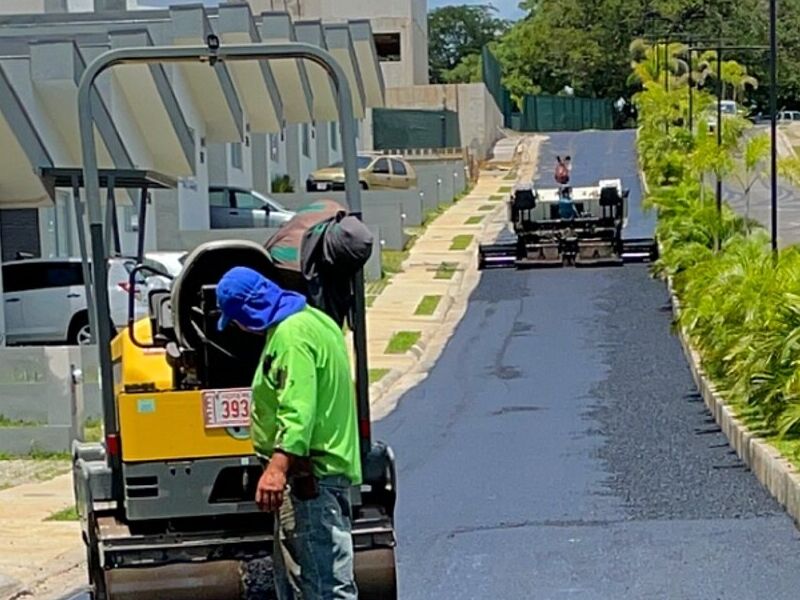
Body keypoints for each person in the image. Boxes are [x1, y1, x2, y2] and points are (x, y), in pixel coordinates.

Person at [216, 266, 361, 599]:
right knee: (307, 582)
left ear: (248, 313)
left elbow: (298, 409)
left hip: (310, 479)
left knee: (322, 587)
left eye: (237, 319)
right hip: (324, 475)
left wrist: (277, 468)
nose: (239, 327)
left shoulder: (291, 337)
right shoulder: (317, 321)